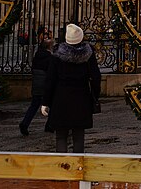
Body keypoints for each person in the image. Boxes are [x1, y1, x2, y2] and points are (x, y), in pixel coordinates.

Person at [41, 24, 101, 153]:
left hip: (61, 97)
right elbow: (96, 78)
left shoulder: (57, 55)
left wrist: (45, 101)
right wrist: (95, 96)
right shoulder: (88, 54)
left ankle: (62, 167)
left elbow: (50, 80)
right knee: (79, 136)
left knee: (61, 136)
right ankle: (77, 166)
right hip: (81, 97)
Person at [19, 38, 54, 136]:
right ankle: (49, 125)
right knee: (53, 104)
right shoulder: (50, 58)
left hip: (36, 84)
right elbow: (51, 73)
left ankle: (25, 123)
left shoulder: (37, 56)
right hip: (46, 84)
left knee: (34, 105)